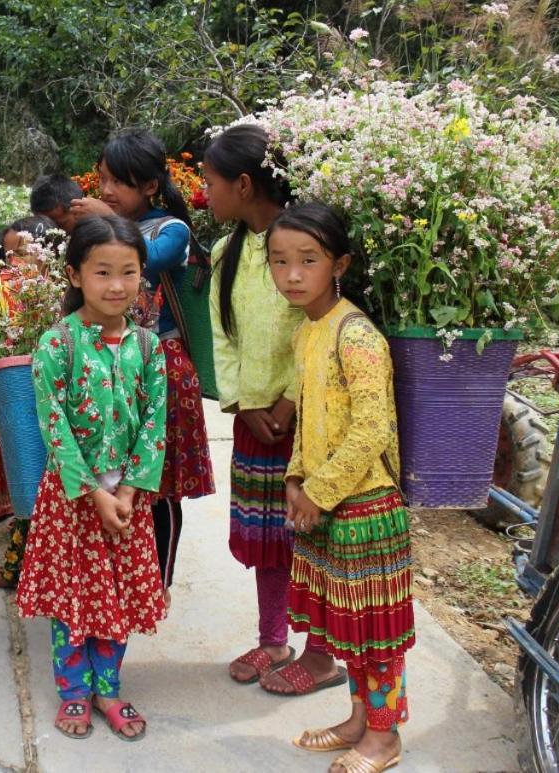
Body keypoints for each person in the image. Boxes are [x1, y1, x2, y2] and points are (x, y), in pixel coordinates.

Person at [267, 203, 413, 772]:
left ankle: (385, 737)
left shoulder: (356, 336)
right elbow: (309, 416)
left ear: (340, 264)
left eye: (308, 260)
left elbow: (371, 428)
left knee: (376, 634)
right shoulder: (309, 333)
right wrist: (295, 478)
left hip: (367, 507)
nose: (293, 274)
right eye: (280, 262)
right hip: (329, 506)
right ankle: (359, 721)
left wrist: (319, 491)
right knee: (347, 626)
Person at [16, 214, 169, 742]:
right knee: (72, 597)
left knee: (117, 596)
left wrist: (127, 490)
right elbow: (52, 425)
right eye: (103, 272)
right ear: (76, 275)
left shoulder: (149, 348)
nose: (117, 285)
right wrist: (95, 493)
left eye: (129, 272)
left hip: (129, 501)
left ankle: (109, 688)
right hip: (72, 499)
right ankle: (74, 692)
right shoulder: (56, 344)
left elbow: (154, 424)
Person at [201, 126, 328, 689]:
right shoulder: (226, 252)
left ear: (245, 184)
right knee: (270, 538)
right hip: (255, 422)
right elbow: (221, 335)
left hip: (311, 423)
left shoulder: (303, 245)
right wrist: (244, 402)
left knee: (315, 535)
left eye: (211, 182)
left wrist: (292, 400)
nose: (205, 193)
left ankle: (320, 652)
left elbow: (321, 324)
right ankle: (273, 642)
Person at [72, 130, 215, 591]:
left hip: (162, 367)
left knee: (159, 484)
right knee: (112, 475)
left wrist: (104, 220)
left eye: (120, 182)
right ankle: (122, 576)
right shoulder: (110, 222)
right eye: (103, 180)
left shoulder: (173, 229)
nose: (107, 192)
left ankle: (158, 583)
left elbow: (145, 259)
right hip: (109, 364)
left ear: (151, 186)